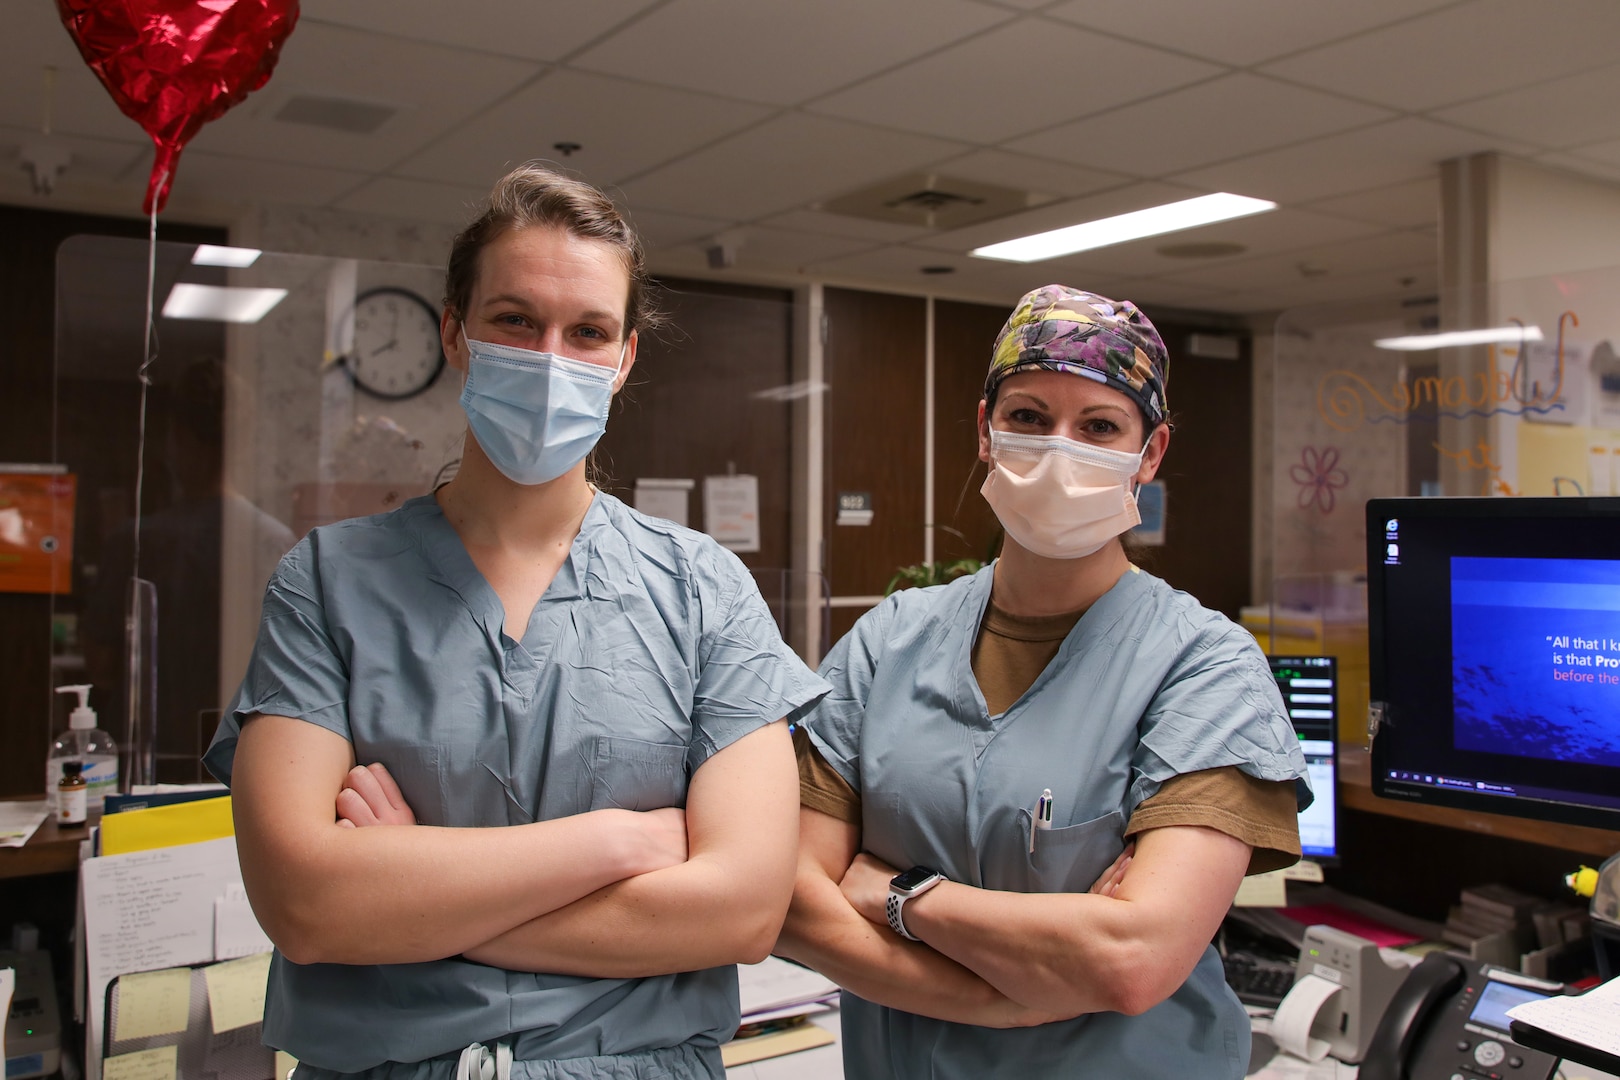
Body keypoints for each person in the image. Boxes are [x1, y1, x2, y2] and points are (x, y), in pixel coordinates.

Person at [204, 164, 828, 1080]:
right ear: (456, 334)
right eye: (514, 321)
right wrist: (614, 843)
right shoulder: (328, 584)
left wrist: (413, 885)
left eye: (588, 333)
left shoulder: (704, 592)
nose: (549, 358)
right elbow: (305, 906)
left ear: (624, 362)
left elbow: (739, 912)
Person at [776, 285, 1312, 1078]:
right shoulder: (891, 640)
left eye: (1099, 427)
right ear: (986, 432)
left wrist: (902, 894)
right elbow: (788, 899)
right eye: (1028, 417)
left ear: (1150, 453)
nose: (1060, 449)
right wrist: (997, 998)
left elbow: (1132, 959)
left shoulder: (1205, 669)